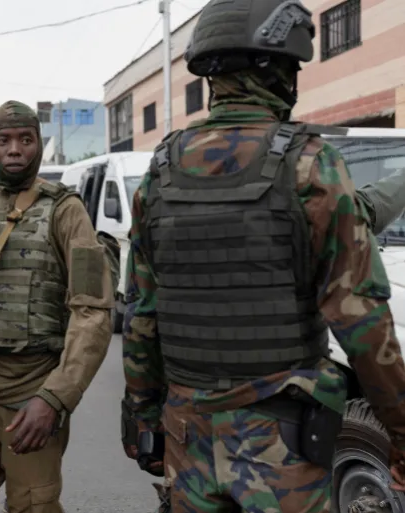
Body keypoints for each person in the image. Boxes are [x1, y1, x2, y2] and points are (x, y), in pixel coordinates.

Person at [121, 1, 405, 511]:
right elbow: (363, 322)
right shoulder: (310, 163)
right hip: (279, 440)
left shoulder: (160, 172)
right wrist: (402, 434)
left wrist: (142, 417)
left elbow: (142, 315)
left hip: (187, 435)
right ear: (278, 72)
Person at [0, 100, 114, 513]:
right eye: (4, 140)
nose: (14, 149)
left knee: (33, 505)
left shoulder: (66, 212)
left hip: (34, 390)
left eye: (25, 139)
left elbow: (92, 313)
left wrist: (55, 398)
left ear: (38, 146)